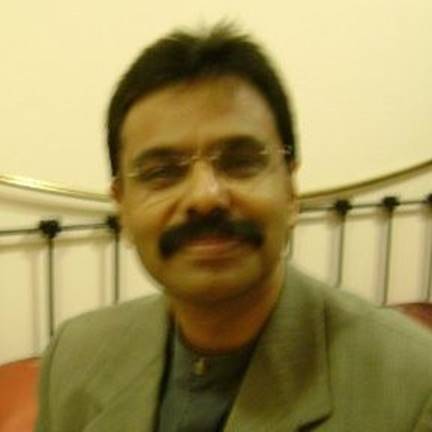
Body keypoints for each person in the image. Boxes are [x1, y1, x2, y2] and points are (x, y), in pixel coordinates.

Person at [36, 23, 432, 431]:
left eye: (240, 162)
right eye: (161, 172)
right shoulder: (72, 359)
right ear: (122, 208)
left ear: (291, 191)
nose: (205, 196)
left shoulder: (415, 387)